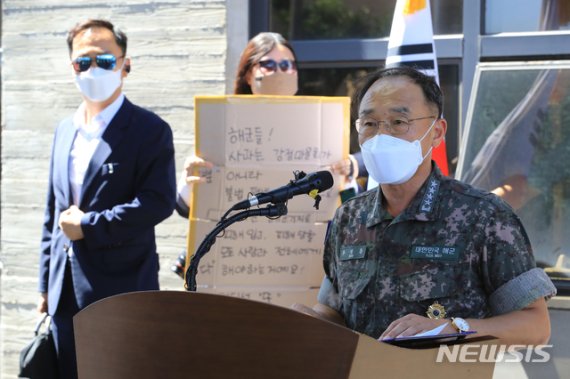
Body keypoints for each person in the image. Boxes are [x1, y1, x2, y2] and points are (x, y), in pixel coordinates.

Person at [295, 66, 556, 346]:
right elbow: (335, 312)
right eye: (369, 124)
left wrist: (453, 327)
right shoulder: (349, 217)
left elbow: (535, 325)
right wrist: (306, 320)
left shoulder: (484, 216)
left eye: (398, 122)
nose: (382, 136)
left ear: (437, 132)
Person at [37, 19, 176, 378]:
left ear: (125, 65)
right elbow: (53, 211)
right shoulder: (64, 129)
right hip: (63, 290)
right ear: (72, 68)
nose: (93, 69)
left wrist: (89, 225)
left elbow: (158, 201)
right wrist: (44, 285)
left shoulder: (150, 130)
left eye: (105, 60)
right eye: (83, 62)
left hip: (121, 288)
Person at [175, 32, 358, 218]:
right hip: (239, 241)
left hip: (300, 239)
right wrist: (190, 181)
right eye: (268, 65)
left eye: (286, 65)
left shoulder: (320, 132)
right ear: (248, 74)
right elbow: (185, 208)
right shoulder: (222, 129)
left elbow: (349, 207)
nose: (278, 72)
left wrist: (347, 174)